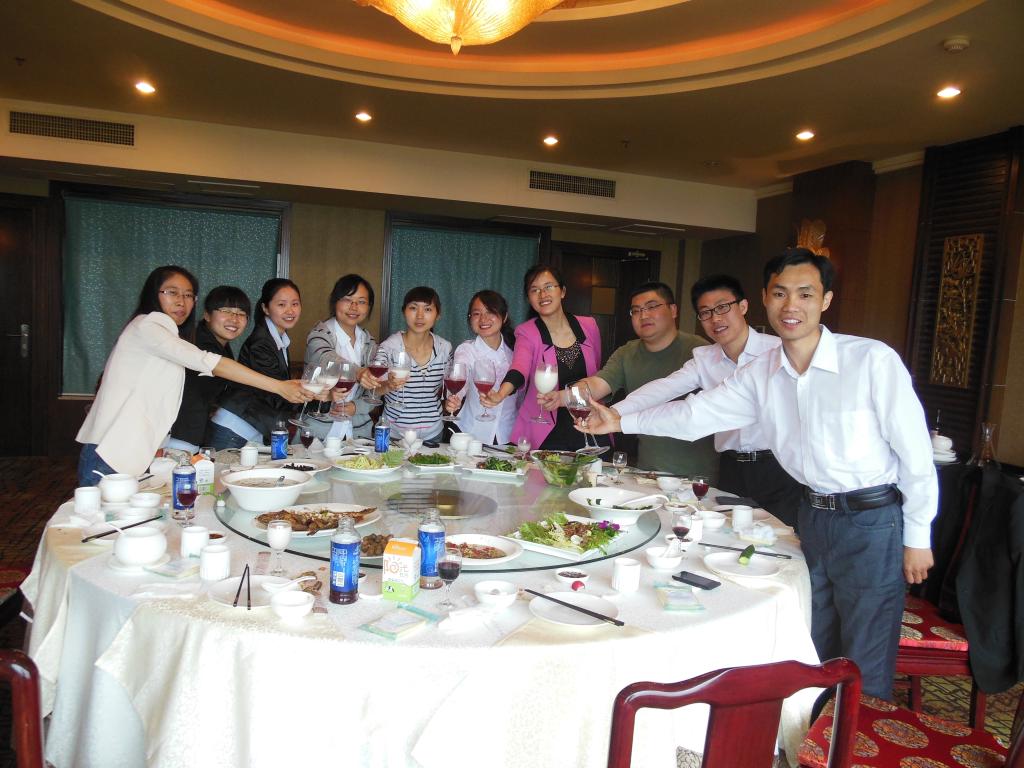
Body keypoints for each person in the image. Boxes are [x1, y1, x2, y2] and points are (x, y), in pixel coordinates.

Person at [580, 248, 937, 700]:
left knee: (866, 651)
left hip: (870, 519)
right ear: (766, 299)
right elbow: (695, 414)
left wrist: (918, 535)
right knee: (813, 636)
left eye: (805, 294)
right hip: (812, 515)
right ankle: (814, 730)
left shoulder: (870, 360)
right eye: (781, 294)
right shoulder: (762, 373)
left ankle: (856, 735)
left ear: (826, 300)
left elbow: (915, 454)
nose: (792, 306)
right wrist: (620, 419)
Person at [76, 266, 309, 485]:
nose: (181, 301)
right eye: (172, 292)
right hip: (113, 449)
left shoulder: (173, 335)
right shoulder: (149, 325)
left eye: (188, 295)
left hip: (136, 448)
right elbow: (209, 362)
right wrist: (279, 386)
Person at [610, 276, 803, 526]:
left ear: (743, 306)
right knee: (730, 536)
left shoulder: (777, 352)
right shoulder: (705, 358)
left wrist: (619, 422)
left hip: (779, 466)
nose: (715, 318)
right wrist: (614, 413)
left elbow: (693, 415)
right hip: (732, 468)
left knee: (784, 538)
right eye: (705, 312)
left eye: (722, 307)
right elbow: (664, 388)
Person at [538, 281, 717, 479]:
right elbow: (598, 384)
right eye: (636, 311)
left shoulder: (700, 351)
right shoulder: (627, 353)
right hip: (648, 470)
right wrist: (562, 397)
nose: (644, 315)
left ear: (673, 310)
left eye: (651, 307)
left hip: (696, 473)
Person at [481, 265, 604, 451]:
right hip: (546, 429)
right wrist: (500, 394)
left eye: (548, 287)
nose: (542, 294)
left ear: (562, 291)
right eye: (534, 290)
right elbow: (519, 368)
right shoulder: (527, 332)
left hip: (590, 422)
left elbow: (598, 372)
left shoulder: (589, 326)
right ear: (528, 298)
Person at [209, 278, 305, 449]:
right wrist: (316, 396)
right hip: (235, 429)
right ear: (265, 308)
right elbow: (278, 395)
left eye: (295, 304)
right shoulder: (261, 343)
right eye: (281, 304)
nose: (290, 310)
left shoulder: (277, 339)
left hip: (249, 428)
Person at [164, 285, 252, 454]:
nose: (234, 319)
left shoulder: (220, 345)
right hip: (179, 436)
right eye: (226, 311)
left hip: (192, 433)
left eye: (241, 314)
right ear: (207, 315)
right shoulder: (199, 344)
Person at [304, 274, 377, 441]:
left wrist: (356, 407)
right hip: (318, 431)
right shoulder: (319, 333)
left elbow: (374, 390)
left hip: (357, 432)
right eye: (347, 299)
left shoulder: (369, 341)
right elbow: (327, 359)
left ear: (369, 306)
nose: (354, 307)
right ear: (335, 301)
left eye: (361, 302)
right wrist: (358, 372)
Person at [375, 286, 452, 442]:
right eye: (413, 308)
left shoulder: (445, 348)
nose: (420, 316)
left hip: (433, 433)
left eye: (428, 309)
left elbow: (449, 388)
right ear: (404, 311)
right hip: (395, 434)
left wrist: (451, 401)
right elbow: (373, 390)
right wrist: (388, 385)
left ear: (438, 315)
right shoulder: (389, 347)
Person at [445, 290, 518, 445]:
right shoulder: (467, 349)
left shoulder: (517, 351)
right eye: (477, 313)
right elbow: (460, 377)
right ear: (470, 318)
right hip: (472, 433)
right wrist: (455, 398)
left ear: (504, 317)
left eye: (490, 312)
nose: (483, 319)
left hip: (509, 434)